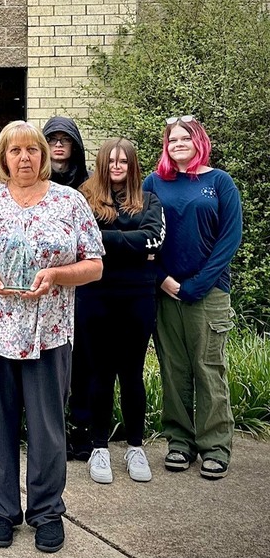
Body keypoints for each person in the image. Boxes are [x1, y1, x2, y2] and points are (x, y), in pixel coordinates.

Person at [0, 120, 103, 553]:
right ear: (3, 157)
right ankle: (1, 511)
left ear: (44, 157)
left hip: (48, 332)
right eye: (15, 151)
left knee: (48, 428)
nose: (24, 158)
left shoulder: (69, 201)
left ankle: (47, 512)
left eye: (32, 150)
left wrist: (57, 274)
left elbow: (94, 264)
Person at [143, 116, 242, 480]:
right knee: (175, 370)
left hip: (210, 292)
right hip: (166, 292)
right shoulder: (154, 183)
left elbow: (229, 239)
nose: (178, 143)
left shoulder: (219, 183)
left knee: (209, 368)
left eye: (185, 138)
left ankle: (215, 446)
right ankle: (180, 442)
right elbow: (144, 234)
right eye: (172, 139)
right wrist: (163, 279)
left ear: (199, 141)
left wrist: (198, 284)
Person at [78, 138, 165, 484]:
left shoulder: (148, 199)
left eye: (123, 162)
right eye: (111, 161)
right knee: (99, 373)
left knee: (132, 373)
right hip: (95, 295)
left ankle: (135, 446)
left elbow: (155, 240)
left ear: (132, 166)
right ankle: (99, 447)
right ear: (102, 164)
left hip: (138, 296)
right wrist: (131, 240)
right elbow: (83, 241)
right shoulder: (85, 198)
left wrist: (107, 238)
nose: (117, 167)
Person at [43, 115, 92, 460]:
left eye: (65, 139)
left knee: (84, 359)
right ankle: (49, 429)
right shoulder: (36, 185)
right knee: (51, 362)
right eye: (52, 139)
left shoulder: (89, 187)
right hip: (46, 292)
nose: (59, 145)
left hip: (84, 286)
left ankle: (81, 427)